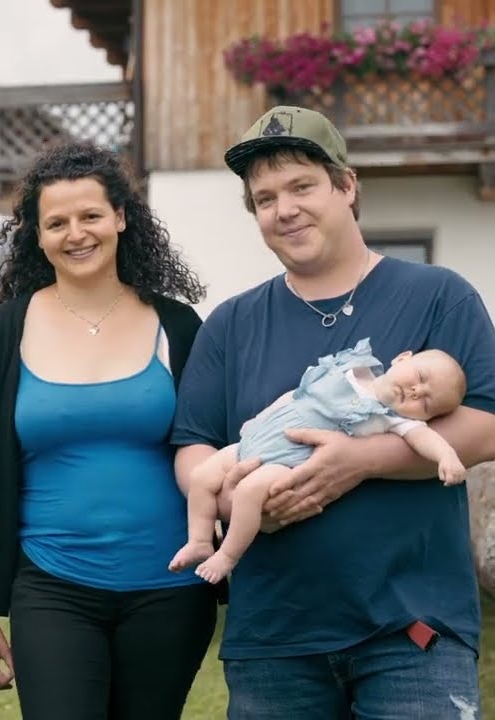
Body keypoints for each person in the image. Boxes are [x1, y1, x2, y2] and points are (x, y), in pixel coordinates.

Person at [172, 105, 495, 718]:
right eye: (264, 198)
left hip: (414, 633)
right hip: (274, 639)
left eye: (301, 186)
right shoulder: (231, 325)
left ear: (347, 187)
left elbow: (486, 424)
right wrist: (234, 498)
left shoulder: (437, 296)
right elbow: (193, 447)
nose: (284, 209)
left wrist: (359, 462)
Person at [0, 140, 217, 720]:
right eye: (57, 222)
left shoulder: (177, 325)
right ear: (37, 235)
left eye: (91, 215)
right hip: (51, 587)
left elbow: (214, 445)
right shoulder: (0, 335)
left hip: (170, 590)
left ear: (121, 217)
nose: (76, 233)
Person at [170, 339, 468, 583]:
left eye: (426, 402)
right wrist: (262, 417)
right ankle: (199, 539)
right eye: (420, 378)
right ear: (402, 358)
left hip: (286, 460)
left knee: (249, 491)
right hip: (257, 441)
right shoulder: (350, 368)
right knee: (201, 477)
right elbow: (298, 394)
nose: (417, 391)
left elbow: (425, 439)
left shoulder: (390, 420)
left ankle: (228, 555)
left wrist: (447, 456)